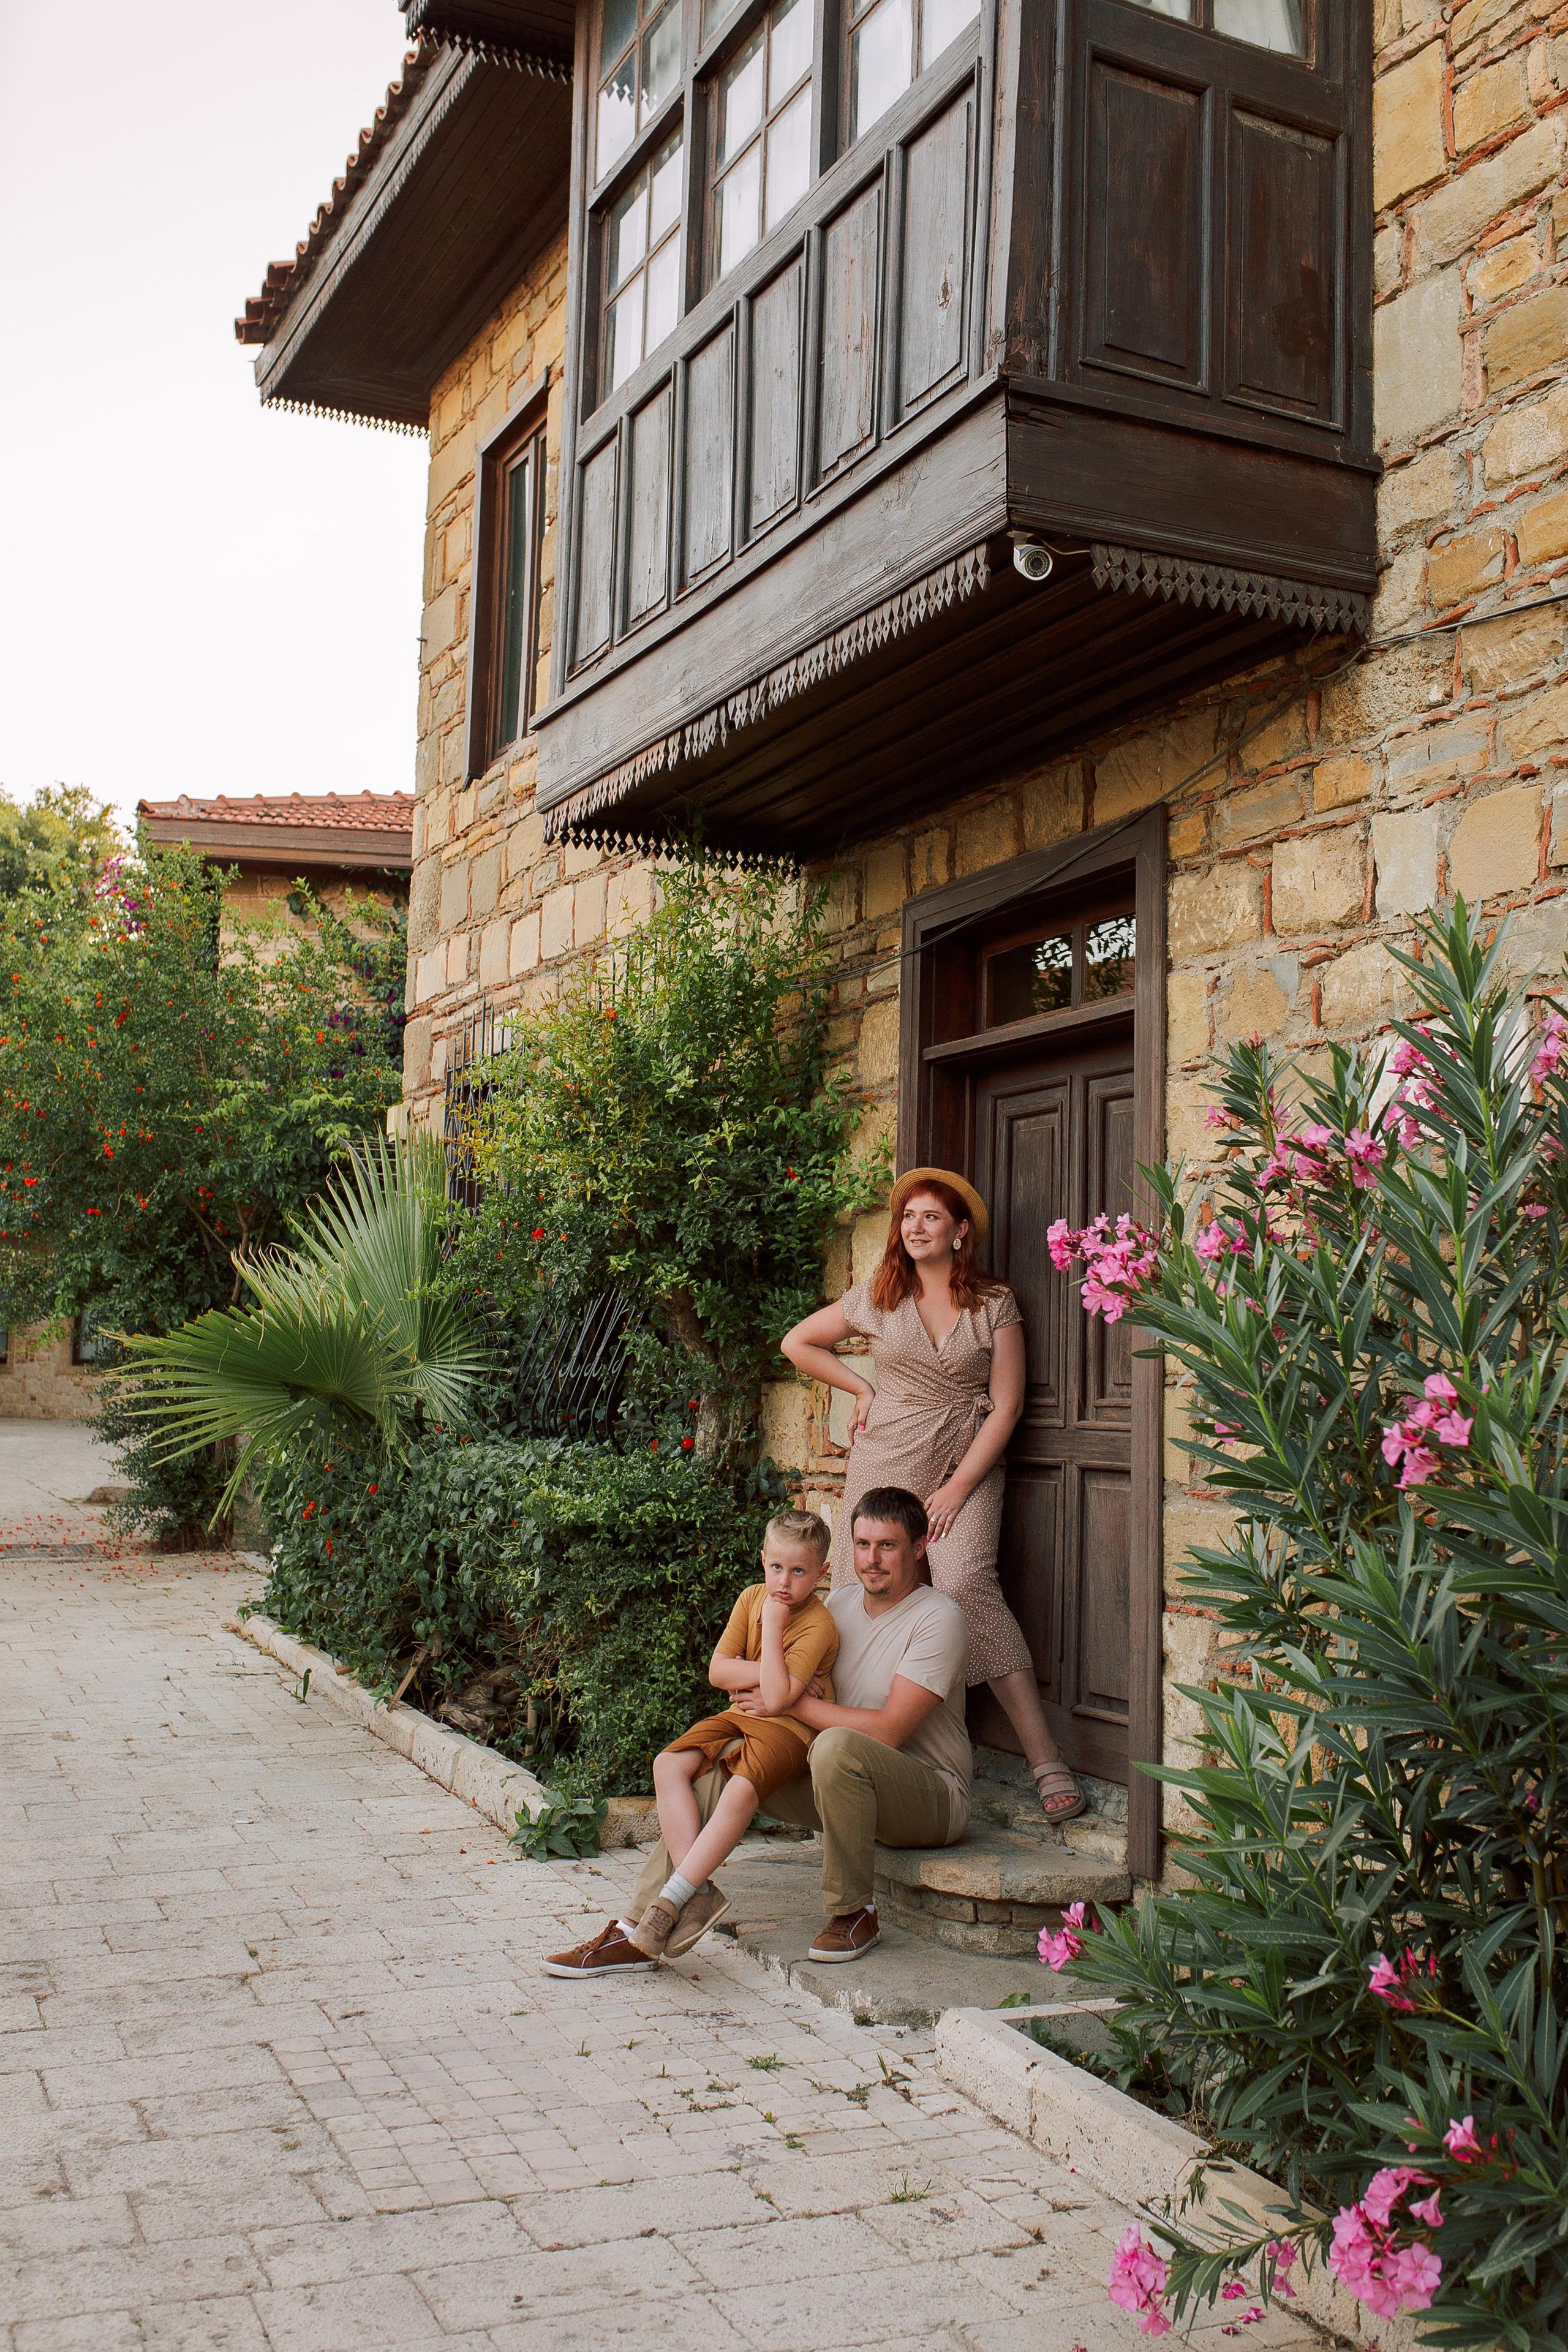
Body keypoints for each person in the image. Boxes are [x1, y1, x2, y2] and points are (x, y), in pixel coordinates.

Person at [543, 1488, 971, 1975]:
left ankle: (854, 1912)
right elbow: (778, 1674)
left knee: (834, 1747)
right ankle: (643, 1926)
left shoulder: (939, 1618)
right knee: (717, 1762)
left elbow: (891, 1731)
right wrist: (779, 1694)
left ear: (919, 1547)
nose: (871, 1560)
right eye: (862, 1544)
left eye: (887, 1546)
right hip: (843, 1787)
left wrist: (791, 1702)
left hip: (928, 1795)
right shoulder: (842, 1604)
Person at [780, 1167, 1085, 1823]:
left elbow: (1005, 1406)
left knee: (965, 1581)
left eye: (930, 1218)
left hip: (965, 1459)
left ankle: (1043, 1758)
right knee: (858, 1592)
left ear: (959, 1231)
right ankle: (836, 1752)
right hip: (886, 1455)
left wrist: (957, 1487)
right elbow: (797, 1342)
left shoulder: (993, 1303)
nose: (915, 1228)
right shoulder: (877, 1296)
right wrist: (860, 1389)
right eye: (907, 1218)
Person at [620, 1506, 839, 1962]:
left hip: (793, 1733)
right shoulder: (751, 1598)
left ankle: (670, 1900)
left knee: (739, 1790)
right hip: (741, 1713)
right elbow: (718, 1670)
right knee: (669, 1764)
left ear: (822, 1573)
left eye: (799, 1572)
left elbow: (780, 1702)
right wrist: (764, 1673)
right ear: (763, 1560)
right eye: (777, 1567)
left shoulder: (818, 1624)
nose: (784, 1582)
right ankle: (697, 1892)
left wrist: (774, 1632)